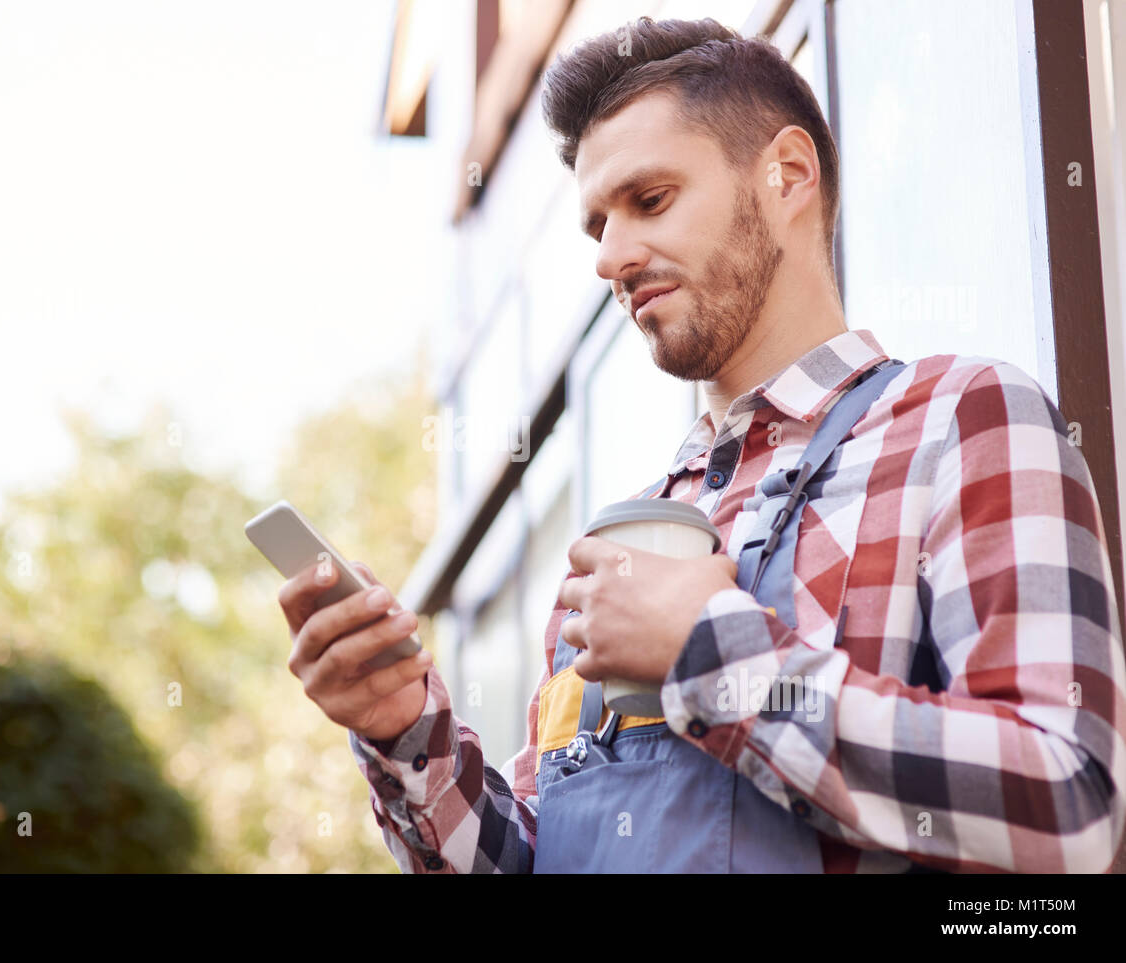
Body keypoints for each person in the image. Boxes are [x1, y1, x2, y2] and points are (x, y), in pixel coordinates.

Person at [280, 16, 1126, 872]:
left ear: (787, 175)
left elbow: (1067, 803)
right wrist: (400, 729)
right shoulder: (615, 550)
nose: (611, 257)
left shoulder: (959, 423)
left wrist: (711, 652)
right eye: (596, 226)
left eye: (649, 201)